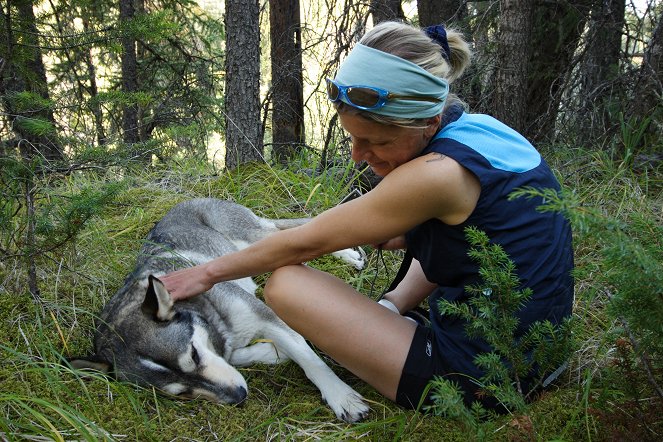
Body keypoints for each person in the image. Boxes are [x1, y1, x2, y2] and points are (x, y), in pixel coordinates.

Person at [160, 21, 574, 411]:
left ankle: (413, 343)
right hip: (535, 347)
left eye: (377, 141)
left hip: (482, 379)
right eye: (353, 138)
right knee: (427, 233)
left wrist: (207, 274)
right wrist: (412, 235)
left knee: (286, 284)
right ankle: (394, 308)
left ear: (428, 121)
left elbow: (307, 241)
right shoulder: (480, 131)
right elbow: (489, 230)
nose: (359, 155)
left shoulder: (436, 176)